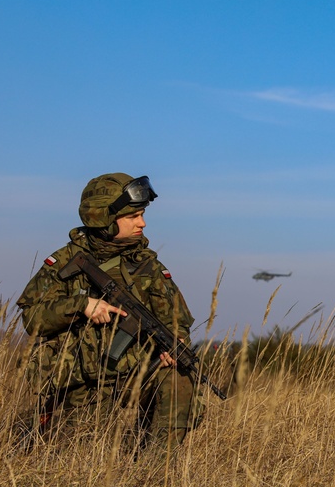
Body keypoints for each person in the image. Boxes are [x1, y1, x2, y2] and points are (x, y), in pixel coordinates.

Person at [16, 173, 202, 453]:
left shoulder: (147, 266)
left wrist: (175, 345)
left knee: (179, 379)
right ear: (103, 218)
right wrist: (81, 305)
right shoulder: (64, 263)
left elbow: (176, 321)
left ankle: (155, 473)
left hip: (135, 376)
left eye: (142, 215)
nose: (143, 223)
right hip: (82, 385)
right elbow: (32, 319)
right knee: (73, 459)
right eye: (133, 216)